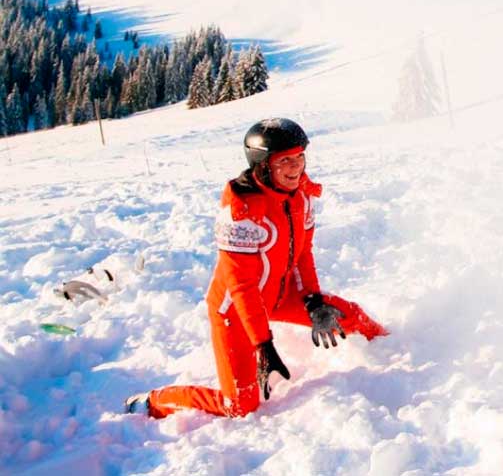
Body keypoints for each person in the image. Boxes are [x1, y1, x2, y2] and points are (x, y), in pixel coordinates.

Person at [126, 118, 388, 418]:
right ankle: (155, 400)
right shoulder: (242, 212)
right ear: (263, 165)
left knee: (352, 316)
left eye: (300, 156)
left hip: (280, 294)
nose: (296, 167)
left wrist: (314, 302)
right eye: (285, 160)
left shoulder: (301, 195)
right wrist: (263, 344)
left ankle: (400, 348)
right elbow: (242, 287)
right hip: (236, 310)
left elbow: (303, 254)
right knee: (239, 406)